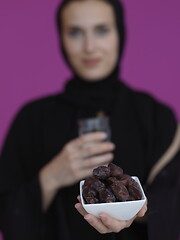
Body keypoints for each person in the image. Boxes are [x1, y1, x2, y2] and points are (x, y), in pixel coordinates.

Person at [0, 0, 179, 239]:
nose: (90, 47)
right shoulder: (32, 118)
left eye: (102, 30)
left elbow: (172, 206)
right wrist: (52, 176)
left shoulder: (156, 116)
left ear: (119, 33)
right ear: (61, 38)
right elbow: (7, 215)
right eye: (75, 32)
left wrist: (133, 210)